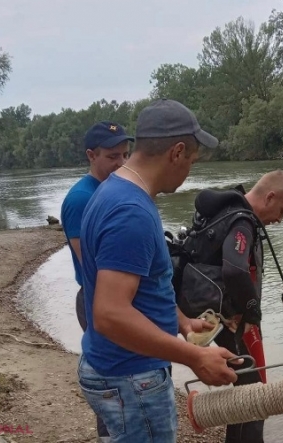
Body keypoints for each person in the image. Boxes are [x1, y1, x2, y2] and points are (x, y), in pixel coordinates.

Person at [77, 98, 240, 443]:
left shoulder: (114, 190)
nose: (189, 171)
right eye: (192, 161)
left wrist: (181, 323)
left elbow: (145, 286)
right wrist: (196, 356)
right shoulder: (131, 211)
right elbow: (109, 314)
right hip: (131, 377)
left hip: (117, 369)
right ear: (177, 152)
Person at [177, 170, 283, 443]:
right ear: (269, 197)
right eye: (282, 210)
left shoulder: (228, 210)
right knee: (253, 393)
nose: (280, 219)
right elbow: (234, 270)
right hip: (228, 319)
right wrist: (251, 312)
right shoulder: (242, 222)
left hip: (206, 311)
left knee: (243, 385)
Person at [60, 120, 134, 443]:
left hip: (114, 295)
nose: (121, 164)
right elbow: (91, 260)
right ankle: (109, 435)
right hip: (93, 297)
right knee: (109, 374)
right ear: (91, 155)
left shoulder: (113, 189)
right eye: (112, 157)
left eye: (126, 155)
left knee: (127, 373)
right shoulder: (80, 199)